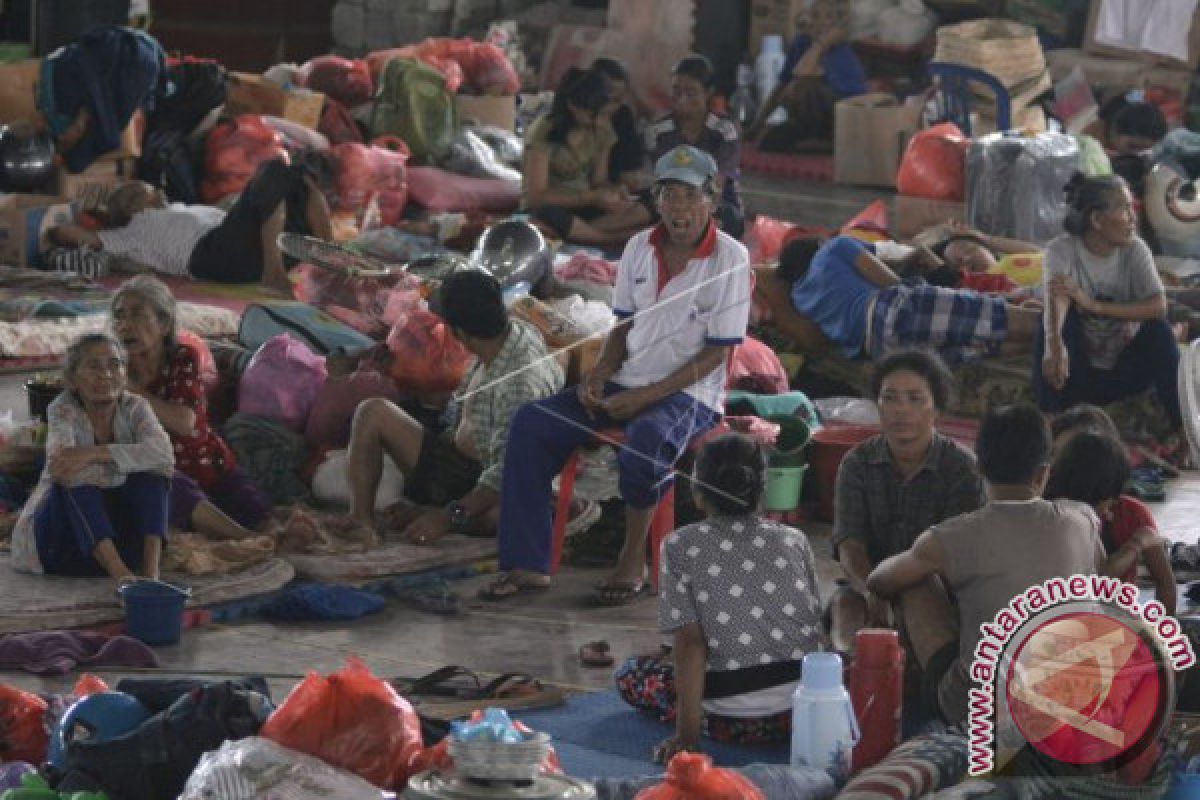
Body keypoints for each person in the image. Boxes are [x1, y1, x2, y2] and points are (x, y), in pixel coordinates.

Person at [483, 145, 751, 604]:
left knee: (646, 443)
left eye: (689, 196)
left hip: (690, 396)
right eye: (669, 196)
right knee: (531, 424)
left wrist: (646, 396)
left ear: (710, 200)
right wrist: (599, 373)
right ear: (657, 200)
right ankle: (527, 564)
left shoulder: (731, 258)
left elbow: (715, 358)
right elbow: (623, 327)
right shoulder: (638, 248)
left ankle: (634, 557)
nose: (679, 208)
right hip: (625, 381)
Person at [867, 404, 1104, 723]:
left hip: (983, 712)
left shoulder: (951, 538)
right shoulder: (1082, 520)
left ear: (978, 467)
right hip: (1079, 700)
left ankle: (908, 690)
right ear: (1043, 472)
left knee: (915, 581)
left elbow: (879, 580)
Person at [614, 433, 822, 762]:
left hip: (730, 722)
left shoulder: (680, 545)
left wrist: (687, 738)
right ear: (762, 490)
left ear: (697, 493)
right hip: (800, 715)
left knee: (630, 674)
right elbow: (811, 626)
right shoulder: (794, 539)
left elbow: (690, 644)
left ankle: (695, 723)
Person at [346, 269, 564, 544]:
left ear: (459, 333)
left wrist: (447, 518)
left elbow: (508, 472)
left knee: (501, 516)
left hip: (496, 482)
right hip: (455, 464)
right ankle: (360, 520)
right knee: (372, 411)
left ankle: (439, 513)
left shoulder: (520, 385)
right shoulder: (507, 336)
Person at [827, 351, 985, 653]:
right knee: (845, 610)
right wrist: (872, 591)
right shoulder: (857, 463)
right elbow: (850, 546)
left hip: (937, 591)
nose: (901, 410)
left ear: (936, 407)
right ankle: (854, 678)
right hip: (870, 585)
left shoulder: (963, 468)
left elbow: (953, 557)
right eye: (890, 398)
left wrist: (903, 595)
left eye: (915, 399)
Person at [110, 275, 270, 541]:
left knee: (256, 510)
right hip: (159, 470)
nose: (125, 325)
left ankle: (239, 533)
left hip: (208, 462)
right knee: (171, 488)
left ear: (163, 324)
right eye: (119, 316)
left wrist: (131, 390)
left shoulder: (182, 358)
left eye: (137, 315)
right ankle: (245, 540)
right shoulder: (110, 369)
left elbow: (185, 423)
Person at [11, 333, 174, 584]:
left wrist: (94, 453)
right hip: (63, 545)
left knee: (153, 474)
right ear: (73, 380)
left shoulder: (135, 407)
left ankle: (151, 575)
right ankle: (122, 578)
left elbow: (164, 453)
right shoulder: (62, 409)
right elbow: (62, 468)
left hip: (121, 542)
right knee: (73, 480)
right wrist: (126, 462)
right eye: (94, 366)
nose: (106, 374)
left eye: (114, 364)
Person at [47, 158, 332, 294]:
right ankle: (274, 273)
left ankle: (330, 261)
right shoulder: (133, 231)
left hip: (247, 245)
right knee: (273, 169)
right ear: (134, 204)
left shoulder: (178, 207)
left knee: (299, 178)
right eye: (144, 188)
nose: (155, 188)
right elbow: (68, 234)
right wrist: (71, 214)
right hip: (216, 256)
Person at [1035, 173, 1181, 431]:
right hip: (1075, 372)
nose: (1133, 217)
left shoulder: (1135, 250)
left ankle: (1183, 430)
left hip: (1121, 372)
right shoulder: (1062, 250)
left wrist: (1094, 305)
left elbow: (1159, 307)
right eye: (1125, 209)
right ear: (1097, 220)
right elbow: (1056, 298)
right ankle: (1050, 425)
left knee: (1160, 332)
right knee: (1052, 323)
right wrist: (1054, 345)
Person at [779, 235, 1041, 363]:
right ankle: (1066, 328)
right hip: (894, 311)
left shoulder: (799, 297)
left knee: (982, 348)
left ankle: (1046, 342)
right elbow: (889, 280)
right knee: (992, 317)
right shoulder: (832, 248)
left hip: (880, 350)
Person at [1046, 409, 1177, 616]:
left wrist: (1161, 639)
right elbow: (1099, 577)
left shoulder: (1132, 514)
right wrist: (1135, 546)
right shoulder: (1048, 516)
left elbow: (1165, 583)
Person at [522, 68, 647, 246]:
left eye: (605, 114)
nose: (601, 122)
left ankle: (583, 232)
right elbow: (536, 197)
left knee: (651, 200)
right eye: (594, 114)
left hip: (584, 208)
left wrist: (614, 193)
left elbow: (599, 180)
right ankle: (610, 238)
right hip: (555, 207)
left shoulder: (602, 128)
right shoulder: (544, 130)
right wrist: (591, 197)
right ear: (573, 106)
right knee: (548, 215)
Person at [644, 55, 744, 240]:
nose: (681, 99)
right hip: (671, 201)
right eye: (676, 91)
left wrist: (690, 209)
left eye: (691, 93)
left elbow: (717, 182)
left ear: (708, 93)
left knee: (725, 223)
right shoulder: (658, 132)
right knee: (641, 210)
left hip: (714, 201)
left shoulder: (724, 130)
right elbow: (665, 180)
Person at [747, 0, 866, 152]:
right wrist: (757, 125)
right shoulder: (801, 43)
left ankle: (826, 144)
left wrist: (822, 44)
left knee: (803, 86)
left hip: (840, 123)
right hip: (807, 123)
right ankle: (813, 143)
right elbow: (781, 86)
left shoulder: (840, 52)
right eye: (815, 16)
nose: (821, 22)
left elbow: (803, 74)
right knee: (769, 142)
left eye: (828, 17)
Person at [591, 57, 644, 189]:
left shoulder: (622, 117)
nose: (610, 107)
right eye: (605, 99)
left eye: (617, 101)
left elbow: (629, 174)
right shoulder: (570, 120)